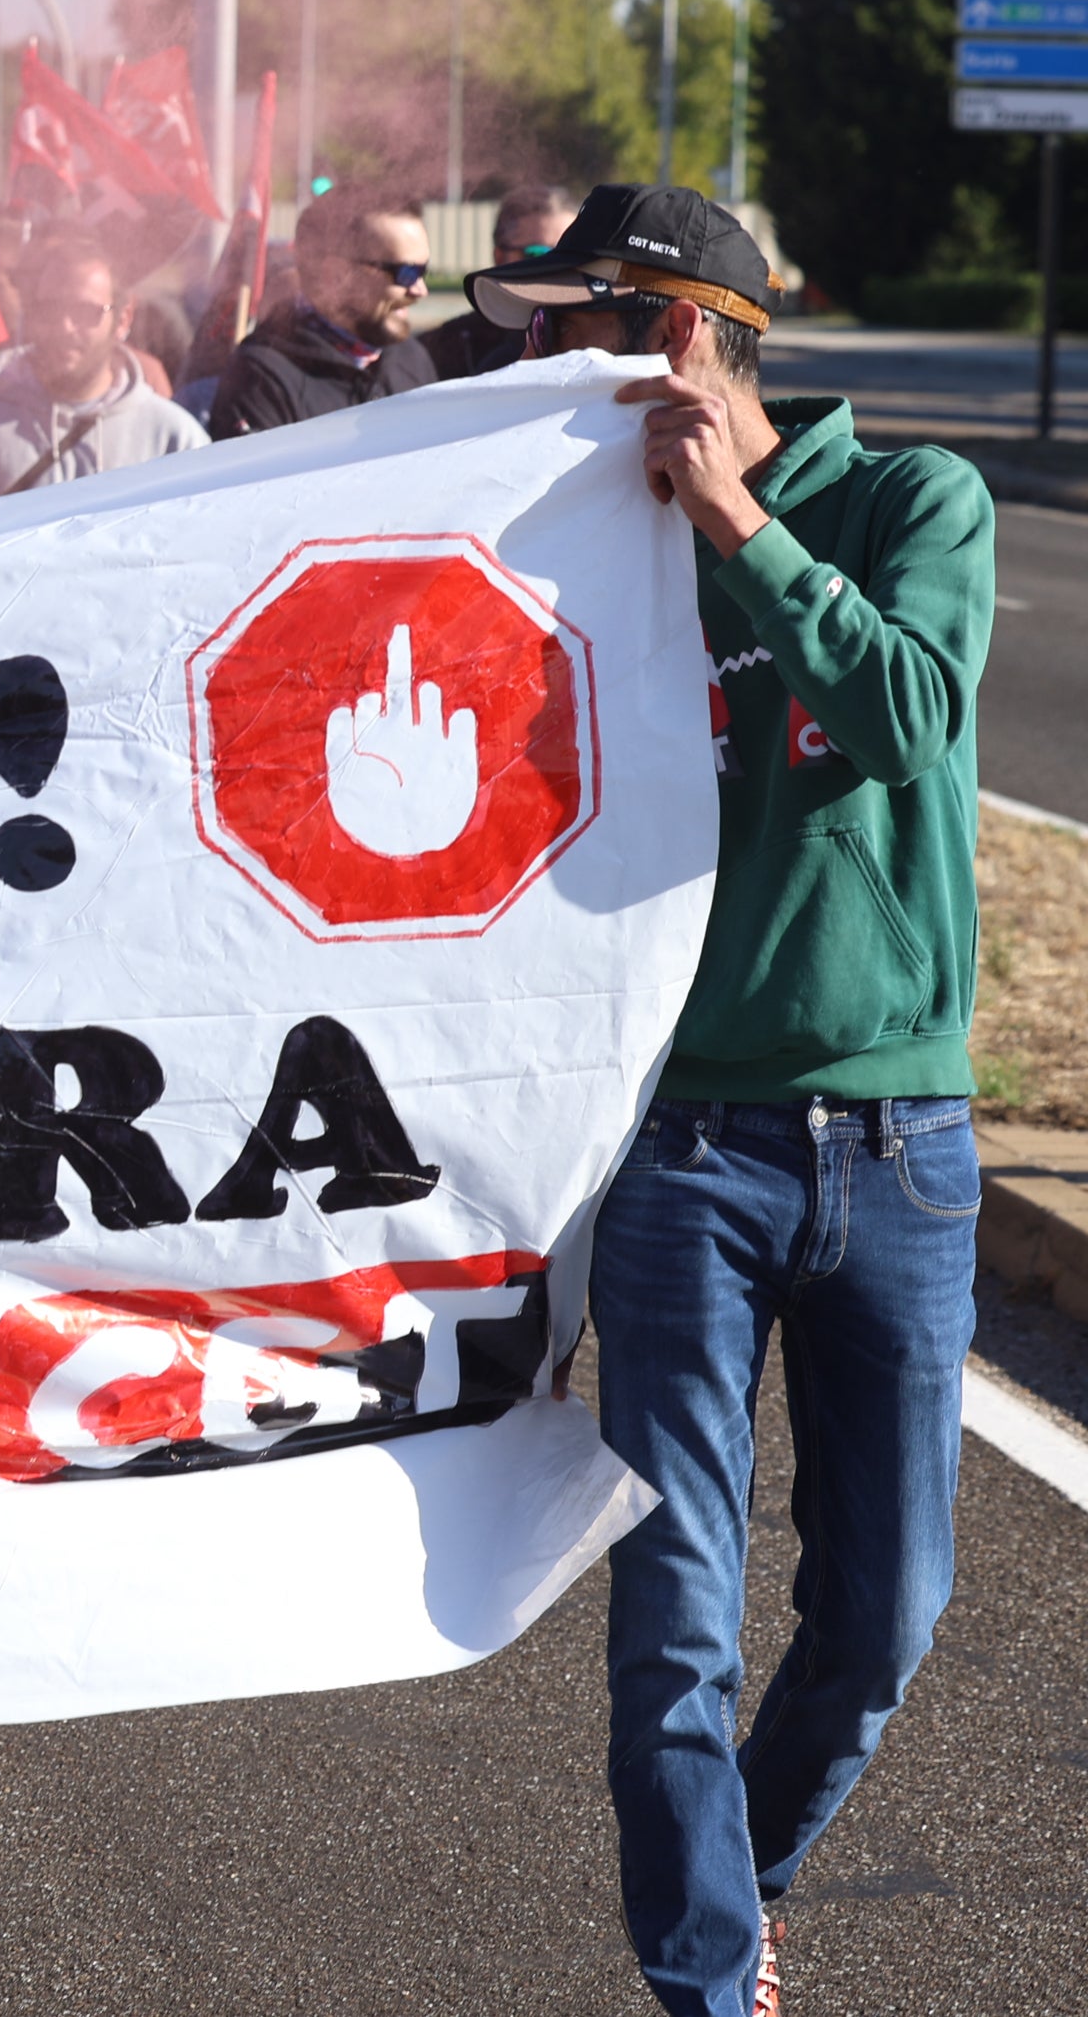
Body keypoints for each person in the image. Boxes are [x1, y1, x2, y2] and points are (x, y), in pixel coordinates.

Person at [470, 187, 994, 2017]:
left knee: (886, 1616)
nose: (536, 363)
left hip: (904, 1149)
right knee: (672, 1622)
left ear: (681, 336)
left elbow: (909, 712)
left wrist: (739, 526)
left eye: (568, 327)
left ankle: (738, 1876)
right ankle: (704, 1983)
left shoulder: (914, 501)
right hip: (681, 1151)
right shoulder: (570, 550)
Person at [0, 238, 207, 514]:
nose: (64, 326)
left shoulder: (173, 438)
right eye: (49, 309)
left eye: (85, 313)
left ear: (122, 318)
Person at [205, 185, 437, 438]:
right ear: (336, 275)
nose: (420, 290)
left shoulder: (411, 358)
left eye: (423, 270)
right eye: (406, 273)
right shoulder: (261, 379)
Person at [427, 184, 580, 379]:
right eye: (537, 254)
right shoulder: (447, 347)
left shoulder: (604, 335)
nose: (555, 267)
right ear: (500, 258)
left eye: (569, 255)